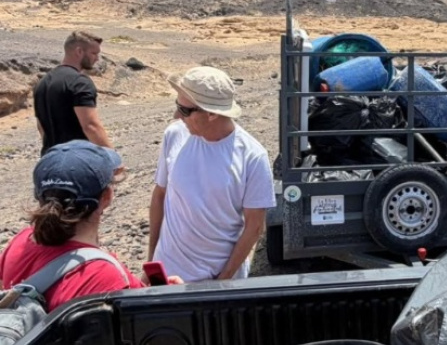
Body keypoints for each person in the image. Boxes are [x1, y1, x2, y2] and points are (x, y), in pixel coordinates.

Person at [0, 141, 180, 312]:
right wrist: (173, 304)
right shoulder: (105, 276)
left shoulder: (21, 241)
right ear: (107, 197)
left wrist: (138, 288)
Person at [148, 66, 275, 282]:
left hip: (218, 283)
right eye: (177, 106)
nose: (176, 115)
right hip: (167, 275)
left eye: (185, 110)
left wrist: (220, 283)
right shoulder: (174, 135)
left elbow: (254, 228)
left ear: (212, 114)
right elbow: (159, 195)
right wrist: (151, 262)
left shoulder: (252, 157)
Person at [33, 31, 114, 156]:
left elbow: (41, 126)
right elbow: (91, 126)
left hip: (49, 160)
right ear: (79, 51)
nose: (97, 58)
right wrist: (112, 158)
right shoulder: (79, 82)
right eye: (94, 53)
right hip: (77, 160)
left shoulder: (42, 83)